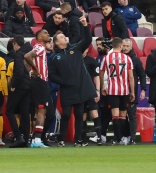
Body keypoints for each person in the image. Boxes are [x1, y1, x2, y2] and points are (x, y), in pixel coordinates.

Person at [48, 15, 96, 147]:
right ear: (57, 43)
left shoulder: (75, 48)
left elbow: (87, 39)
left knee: (80, 114)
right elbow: (51, 75)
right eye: (62, 37)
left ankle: (78, 139)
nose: (65, 38)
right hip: (67, 89)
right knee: (66, 114)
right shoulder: (54, 57)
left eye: (64, 36)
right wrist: (63, 81)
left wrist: (85, 25)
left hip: (80, 87)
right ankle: (62, 139)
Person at [99, 38, 135, 145]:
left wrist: (102, 86)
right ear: (120, 46)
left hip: (112, 90)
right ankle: (123, 138)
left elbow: (101, 74)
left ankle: (118, 139)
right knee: (123, 115)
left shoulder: (106, 58)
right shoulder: (127, 58)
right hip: (124, 90)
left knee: (114, 115)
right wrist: (132, 91)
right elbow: (131, 77)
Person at [24, 29, 55, 148]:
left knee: (47, 112)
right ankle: (37, 140)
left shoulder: (39, 49)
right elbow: (27, 56)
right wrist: (35, 70)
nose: (48, 34)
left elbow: (25, 60)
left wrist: (30, 71)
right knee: (42, 111)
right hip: (40, 81)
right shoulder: (39, 47)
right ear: (39, 38)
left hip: (39, 82)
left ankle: (37, 138)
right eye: (45, 33)